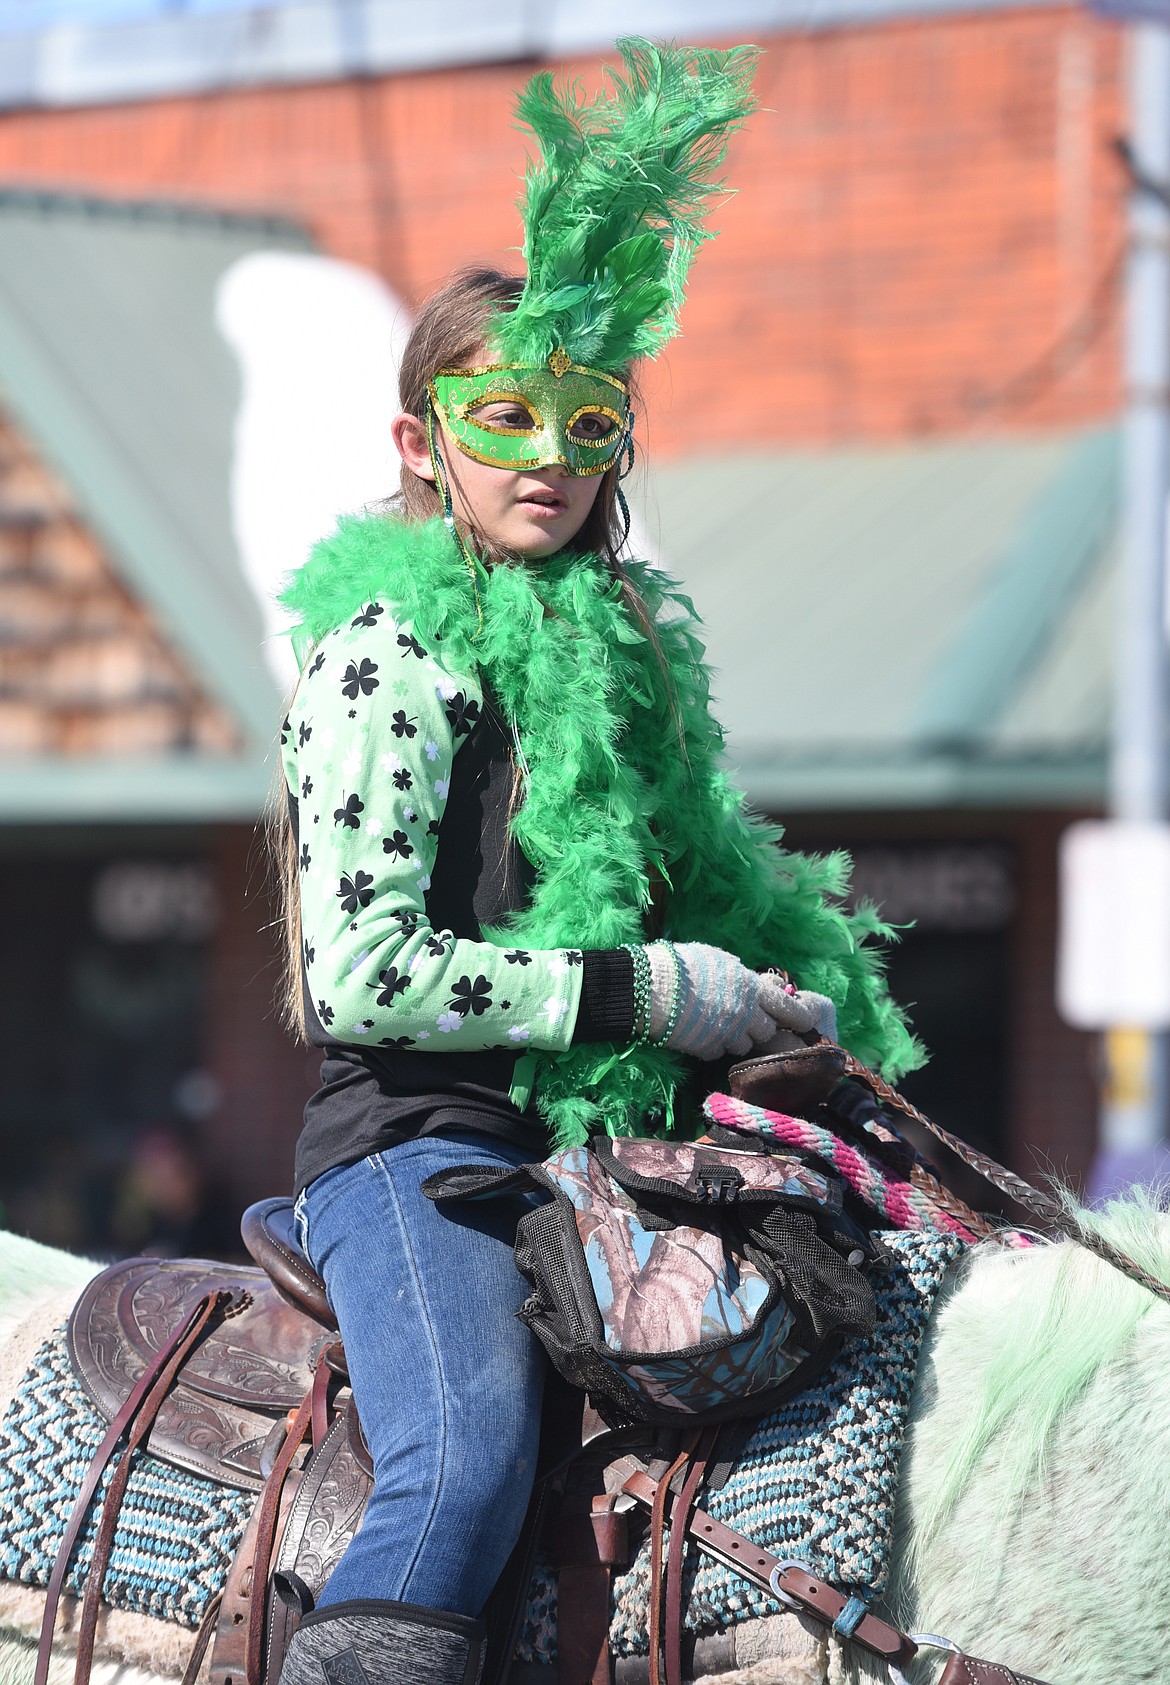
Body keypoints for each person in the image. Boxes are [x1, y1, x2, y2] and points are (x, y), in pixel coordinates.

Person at [273, 40, 918, 1685]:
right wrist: (663, 990)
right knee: (465, 1465)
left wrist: (775, 1003)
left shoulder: (620, 651)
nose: (549, 454)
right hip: (419, 1149)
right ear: (422, 442)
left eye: (587, 416)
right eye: (506, 416)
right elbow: (367, 977)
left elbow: (696, 895)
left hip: (609, 1148)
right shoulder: (381, 653)